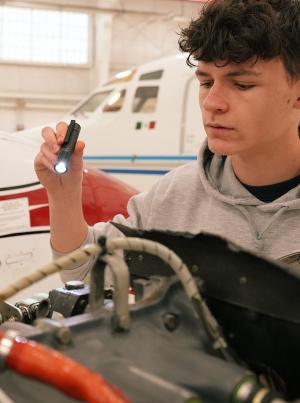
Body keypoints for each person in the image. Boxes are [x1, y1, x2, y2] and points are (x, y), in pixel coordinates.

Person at [34, 0, 300, 284]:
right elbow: (85, 272)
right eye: (206, 82)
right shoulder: (173, 198)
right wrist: (63, 197)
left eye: (242, 85)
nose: (212, 103)